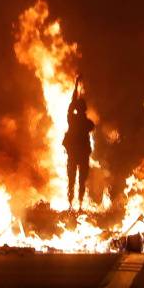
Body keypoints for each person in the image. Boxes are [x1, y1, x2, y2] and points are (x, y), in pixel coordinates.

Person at [63, 81, 94, 210]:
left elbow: (71, 105)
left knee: (72, 179)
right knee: (81, 180)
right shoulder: (88, 123)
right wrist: (76, 87)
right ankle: (79, 204)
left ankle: (72, 204)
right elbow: (72, 105)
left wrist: (76, 87)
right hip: (81, 154)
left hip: (75, 154)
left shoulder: (72, 120)